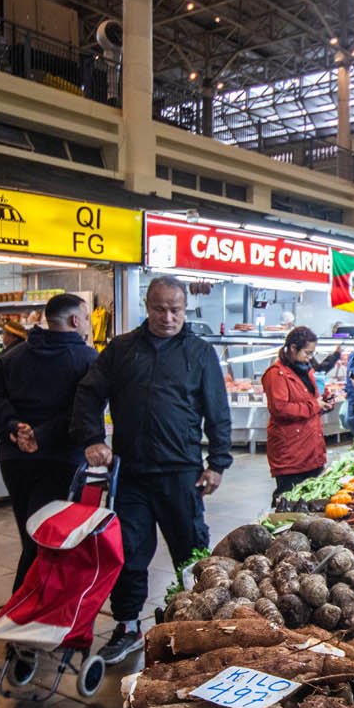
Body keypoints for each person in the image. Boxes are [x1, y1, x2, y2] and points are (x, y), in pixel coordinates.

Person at [70, 276, 232, 664]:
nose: (168, 317)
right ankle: (127, 626)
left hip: (182, 473)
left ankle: (197, 625)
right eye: (160, 309)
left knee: (191, 552)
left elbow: (217, 410)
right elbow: (87, 394)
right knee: (127, 553)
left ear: (185, 309)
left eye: (176, 309)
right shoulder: (122, 350)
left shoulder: (199, 352)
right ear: (148, 306)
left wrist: (219, 463)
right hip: (131, 476)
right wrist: (93, 439)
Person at [0, 293, 96, 590]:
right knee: (44, 540)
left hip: (14, 459)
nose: (87, 323)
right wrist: (41, 435)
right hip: (62, 460)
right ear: (75, 320)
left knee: (31, 533)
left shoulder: (10, 356)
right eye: (86, 317)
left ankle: (33, 611)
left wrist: (15, 427)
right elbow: (80, 412)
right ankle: (23, 615)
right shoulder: (87, 360)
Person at [262, 326, 339, 502]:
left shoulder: (306, 368)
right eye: (307, 352)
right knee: (288, 500)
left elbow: (314, 394)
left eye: (312, 353)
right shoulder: (276, 374)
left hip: (312, 449)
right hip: (291, 454)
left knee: (311, 499)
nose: (310, 357)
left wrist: (326, 400)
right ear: (292, 348)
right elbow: (280, 409)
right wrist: (314, 405)